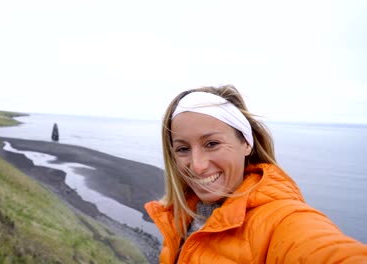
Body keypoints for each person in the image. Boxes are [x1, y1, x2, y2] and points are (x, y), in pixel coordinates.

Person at [144, 85, 367, 263]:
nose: (198, 165)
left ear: (246, 143)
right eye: (183, 149)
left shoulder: (282, 220)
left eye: (212, 143)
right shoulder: (182, 215)